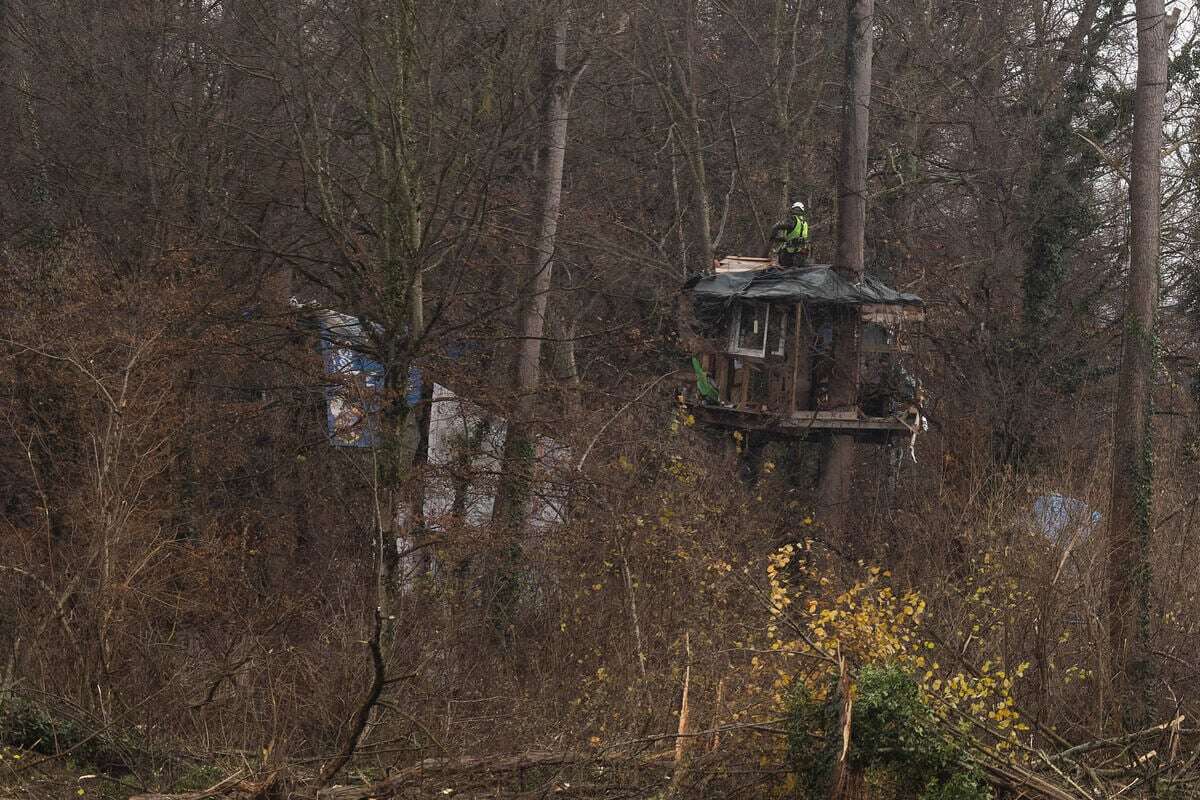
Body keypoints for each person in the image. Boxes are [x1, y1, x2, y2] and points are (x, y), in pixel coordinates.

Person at [770, 201, 810, 267]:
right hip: (801, 252)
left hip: (790, 252)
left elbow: (786, 226)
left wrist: (776, 226)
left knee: (785, 269)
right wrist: (778, 239)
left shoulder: (793, 219)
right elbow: (794, 237)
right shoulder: (804, 222)